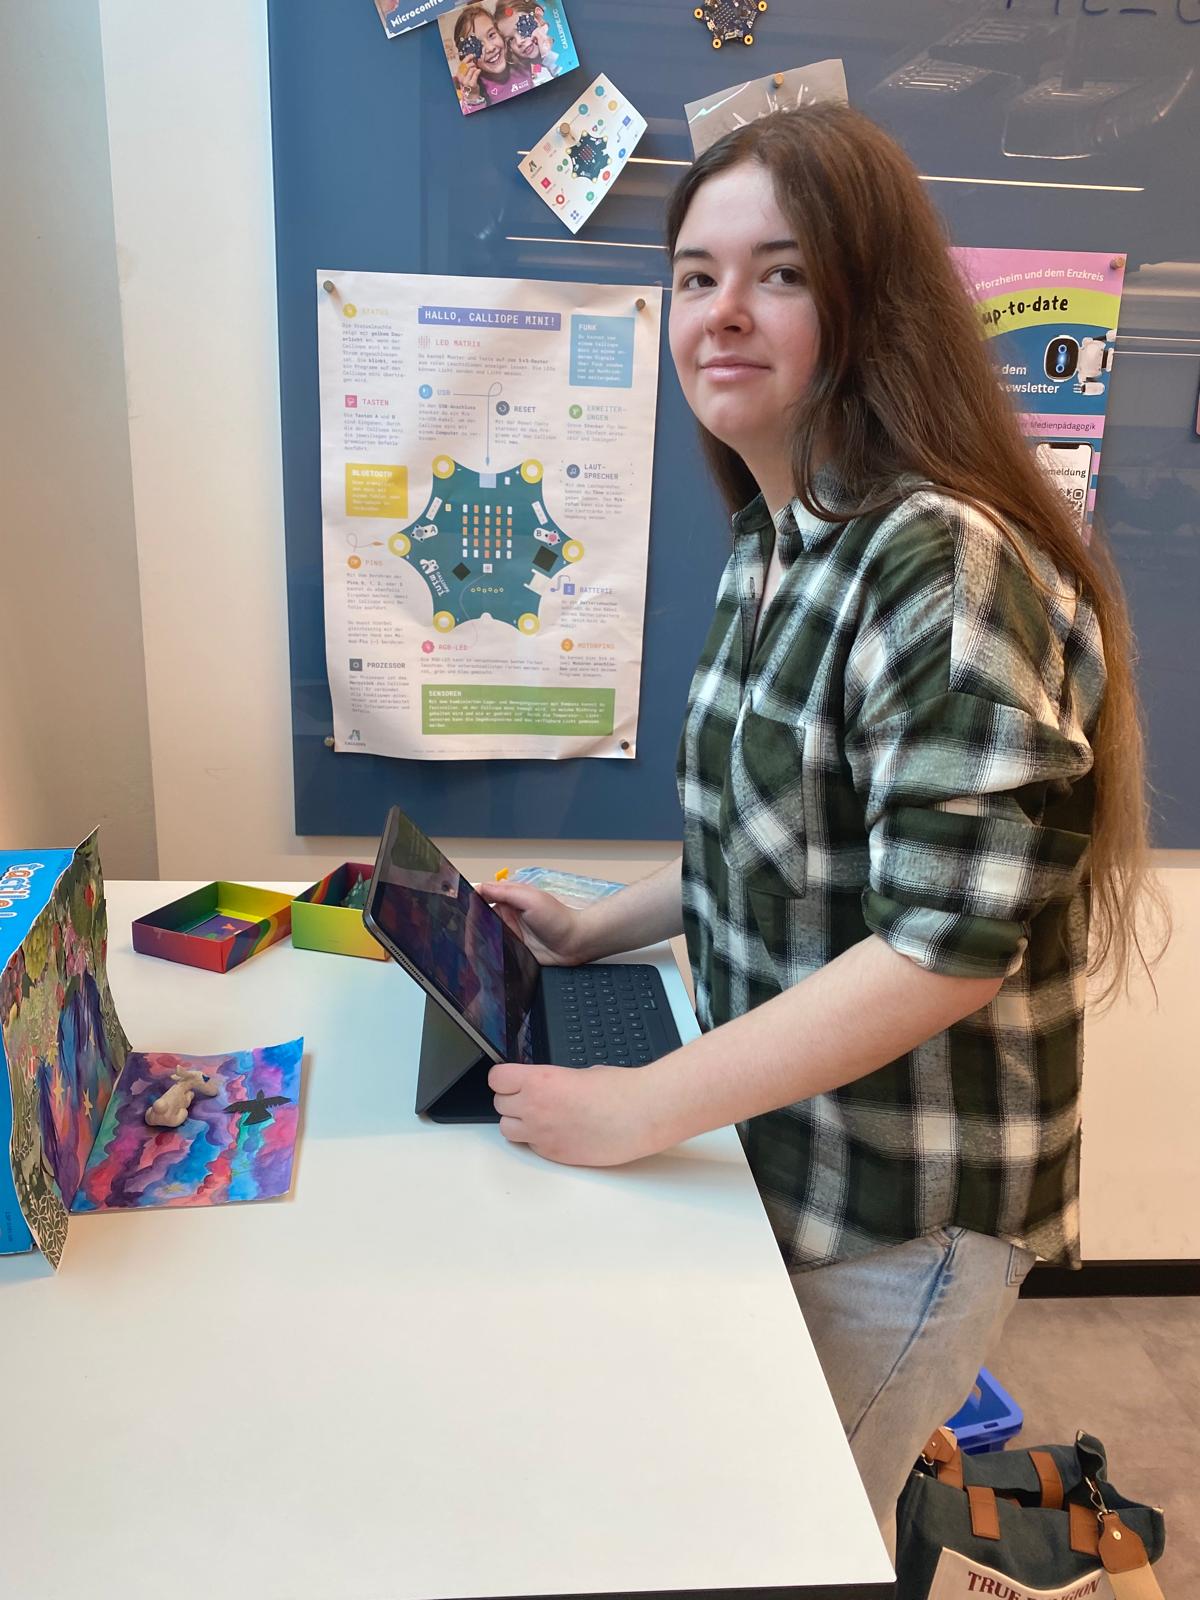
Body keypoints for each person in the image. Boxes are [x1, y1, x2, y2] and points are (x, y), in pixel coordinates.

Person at [482, 106, 1165, 1546]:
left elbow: (941, 951)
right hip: (780, 1147)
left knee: (785, 1538)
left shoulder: (941, 561)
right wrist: (597, 926)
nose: (722, 312)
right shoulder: (776, 543)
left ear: (873, 305)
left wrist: (640, 1105)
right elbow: (775, 842)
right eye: (697, 276)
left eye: (780, 273)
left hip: (900, 1199)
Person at [451, 5, 534, 114]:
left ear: (500, 34)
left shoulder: (520, 61)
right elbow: (477, 121)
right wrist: (473, 97)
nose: (490, 48)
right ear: (468, 58)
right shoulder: (473, 89)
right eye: (475, 45)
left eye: (491, 35)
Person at [494, 0, 559, 83]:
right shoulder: (529, 72)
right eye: (510, 39)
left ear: (538, 17)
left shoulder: (562, 43)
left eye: (522, 27)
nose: (519, 42)